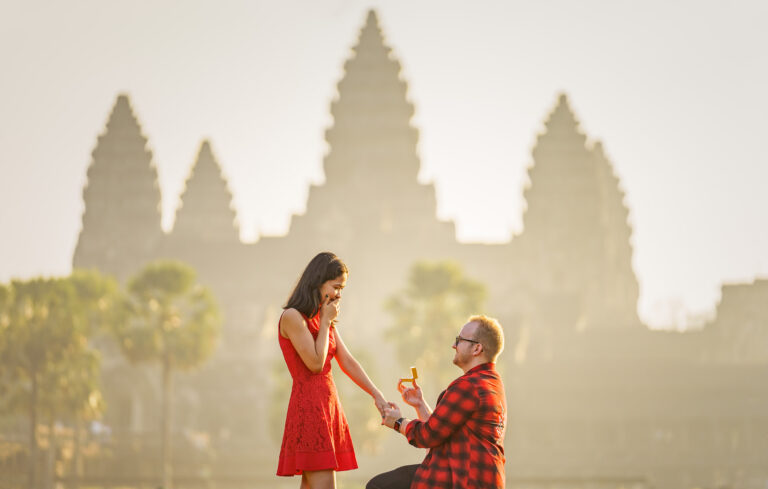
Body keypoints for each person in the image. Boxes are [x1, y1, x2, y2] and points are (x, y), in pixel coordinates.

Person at [277, 251, 389, 489]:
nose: (339, 295)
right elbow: (315, 364)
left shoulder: (322, 318)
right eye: (336, 287)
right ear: (318, 282)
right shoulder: (293, 317)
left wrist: (377, 395)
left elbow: (347, 361)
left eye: (342, 289)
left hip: (328, 406)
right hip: (309, 409)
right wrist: (327, 321)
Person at [369, 315, 507, 489]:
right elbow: (441, 430)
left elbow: (427, 436)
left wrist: (397, 422)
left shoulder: (468, 386)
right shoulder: (492, 382)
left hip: (462, 480)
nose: (454, 345)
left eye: (460, 340)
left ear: (477, 348)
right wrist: (419, 404)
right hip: (479, 479)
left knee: (378, 486)